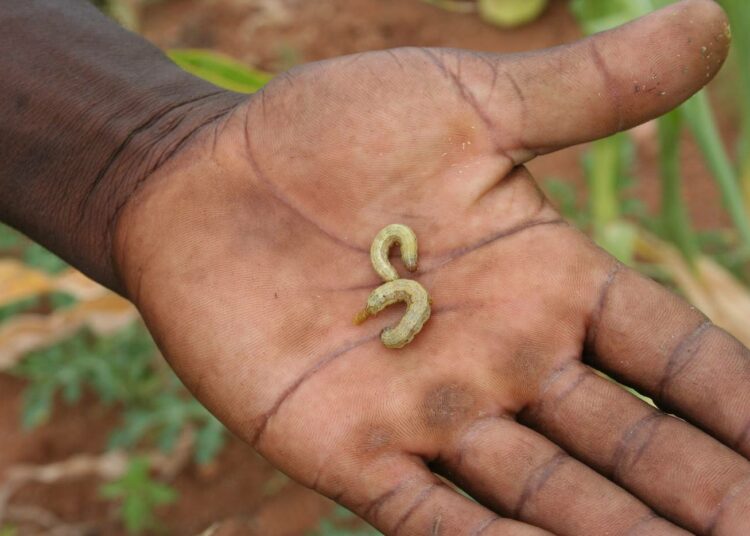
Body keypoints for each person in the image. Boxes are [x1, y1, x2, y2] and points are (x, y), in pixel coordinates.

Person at [1, 0, 749, 534]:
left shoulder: (400, 274)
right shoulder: (397, 279)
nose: (397, 307)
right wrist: (136, 159)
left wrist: (135, 153)